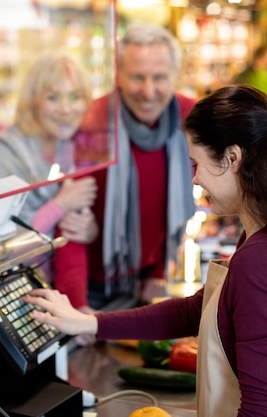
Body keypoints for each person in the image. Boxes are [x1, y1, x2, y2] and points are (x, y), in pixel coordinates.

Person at [23, 84, 267, 416]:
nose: (194, 180)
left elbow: (265, 410)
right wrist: (89, 323)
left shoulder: (264, 262)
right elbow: (198, 311)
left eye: (196, 164)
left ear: (233, 158)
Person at [55, 23, 197, 310]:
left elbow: (178, 202)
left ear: (175, 76)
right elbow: (71, 225)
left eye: (159, 78)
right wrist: (77, 305)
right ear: (118, 75)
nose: (148, 91)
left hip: (148, 281)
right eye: (136, 77)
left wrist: (158, 272)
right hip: (92, 286)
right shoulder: (92, 123)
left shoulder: (189, 117)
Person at [0, 52, 98, 311]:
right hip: (4, 303)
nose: (66, 109)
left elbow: (65, 235)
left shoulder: (68, 147)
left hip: (51, 302)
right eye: (53, 97)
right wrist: (59, 206)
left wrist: (89, 229)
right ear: (33, 102)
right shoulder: (1, 153)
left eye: (75, 97)